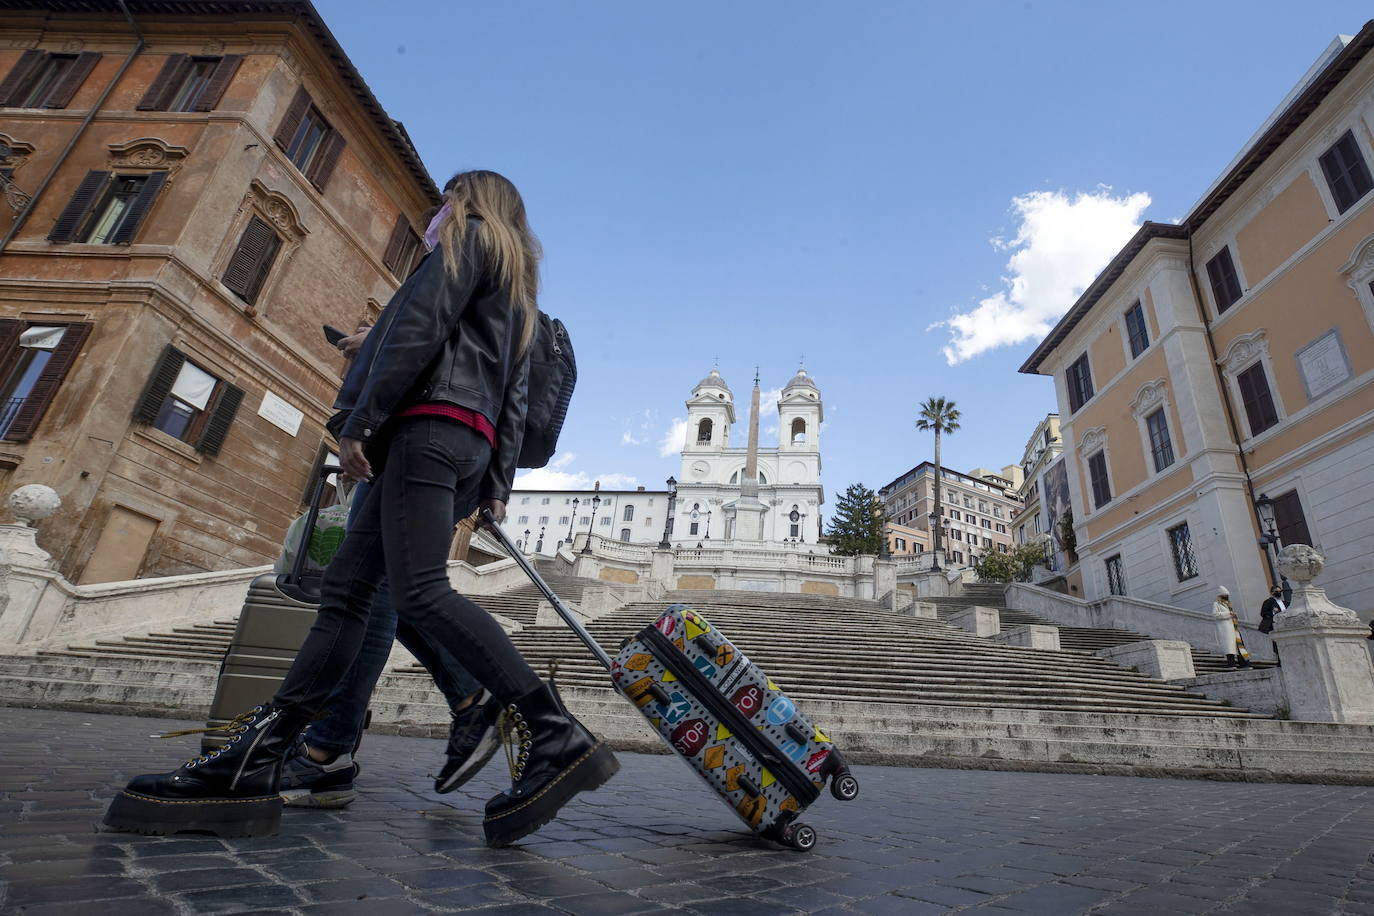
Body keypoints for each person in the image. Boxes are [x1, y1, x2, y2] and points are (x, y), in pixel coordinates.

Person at [104, 170, 618, 847]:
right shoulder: (520, 284)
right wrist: (497, 485)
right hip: (465, 443)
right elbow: (514, 399)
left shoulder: (466, 237)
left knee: (421, 592)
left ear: (468, 200)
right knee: (348, 593)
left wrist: (361, 420)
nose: (439, 211)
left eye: (446, 198)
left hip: (426, 429)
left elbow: (419, 327)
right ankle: (260, 762)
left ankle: (552, 732)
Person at [1212, 586, 1251, 669]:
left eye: (1227, 595)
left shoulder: (1229, 604)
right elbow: (1215, 614)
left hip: (1234, 627)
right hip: (1225, 629)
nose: (1226, 597)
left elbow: (1231, 613)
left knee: (1240, 646)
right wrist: (1229, 614)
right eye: (1224, 595)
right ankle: (1231, 664)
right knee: (1229, 647)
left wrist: (1234, 615)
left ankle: (1244, 664)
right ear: (1220, 595)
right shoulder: (1216, 604)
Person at [1259, 583, 1284, 667]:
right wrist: (1273, 612)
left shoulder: (1285, 602)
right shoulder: (1268, 602)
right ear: (1272, 593)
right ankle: (1280, 661)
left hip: (1285, 625)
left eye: (1280, 591)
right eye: (1276, 591)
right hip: (1275, 625)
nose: (1279, 592)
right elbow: (1263, 613)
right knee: (1277, 644)